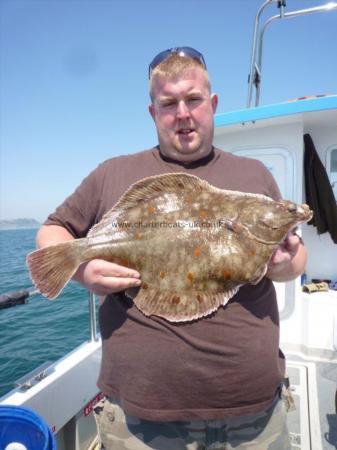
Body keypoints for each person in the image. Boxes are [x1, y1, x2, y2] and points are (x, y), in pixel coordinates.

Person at [36, 47, 307, 449]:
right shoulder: (113, 172)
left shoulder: (253, 174)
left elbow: (295, 257)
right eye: (169, 103)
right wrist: (81, 269)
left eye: (193, 100)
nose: (183, 113)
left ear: (212, 104)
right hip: (142, 418)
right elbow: (52, 232)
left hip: (252, 412)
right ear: (153, 112)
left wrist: (284, 263)